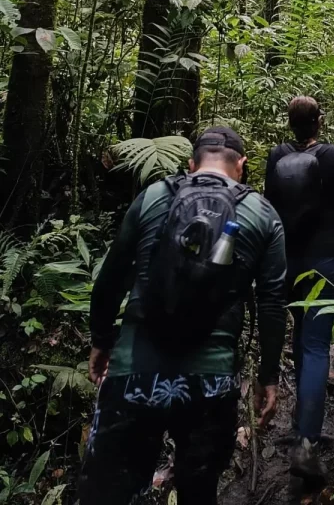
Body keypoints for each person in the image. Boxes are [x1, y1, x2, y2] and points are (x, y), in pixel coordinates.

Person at [78, 127, 287, 505]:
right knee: (199, 491)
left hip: (134, 370)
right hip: (211, 383)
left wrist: (101, 340)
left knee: (108, 492)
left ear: (190, 165)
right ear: (241, 166)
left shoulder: (153, 197)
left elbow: (111, 279)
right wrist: (267, 377)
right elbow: (272, 303)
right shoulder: (262, 213)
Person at [264, 96, 334, 483]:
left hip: (286, 260)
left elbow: (269, 207)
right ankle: (305, 441)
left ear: (290, 124)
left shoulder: (275, 156)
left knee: (302, 333)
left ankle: (303, 423)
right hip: (323, 259)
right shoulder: (331, 156)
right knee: (317, 344)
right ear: (318, 122)